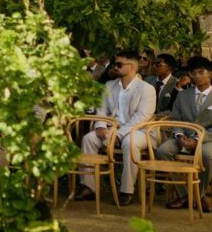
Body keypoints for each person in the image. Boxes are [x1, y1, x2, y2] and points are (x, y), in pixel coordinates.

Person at [76, 49, 156, 205]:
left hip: (139, 131)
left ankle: (127, 190)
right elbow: (101, 109)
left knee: (129, 142)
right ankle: (88, 186)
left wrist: (120, 134)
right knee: (89, 139)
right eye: (114, 64)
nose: (115, 68)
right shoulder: (109, 85)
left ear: (132, 66)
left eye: (119, 64)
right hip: (111, 128)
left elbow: (142, 117)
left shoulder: (147, 89)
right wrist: (99, 125)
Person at [157, 56, 212, 209]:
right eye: (193, 73)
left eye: (201, 72)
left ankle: (199, 195)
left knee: (207, 155)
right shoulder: (183, 95)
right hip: (182, 136)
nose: (197, 76)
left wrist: (197, 139)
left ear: (210, 74)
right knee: (162, 150)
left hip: (207, 139)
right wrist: (180, 136)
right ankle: (184, 195)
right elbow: (175, 118)